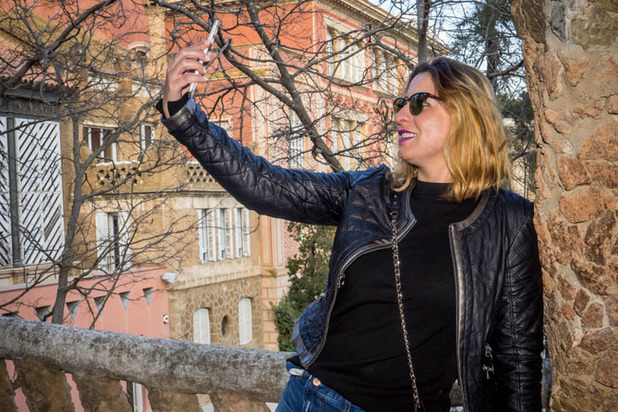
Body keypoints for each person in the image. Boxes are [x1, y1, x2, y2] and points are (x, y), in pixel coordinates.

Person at [158, 41, 544, 412]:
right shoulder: (369, 192)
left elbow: (517, 357)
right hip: (315, 400)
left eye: (418, 103)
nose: (399, 116)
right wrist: (183, 114)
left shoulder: (509, 221)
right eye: (400, 103)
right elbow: (267, 186)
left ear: (466, 114)